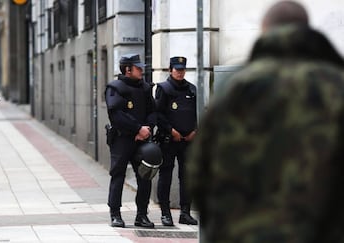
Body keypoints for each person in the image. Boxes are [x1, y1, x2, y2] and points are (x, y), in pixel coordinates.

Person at [187, 1, 344, 242]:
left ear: (264, 29)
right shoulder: (337, 85)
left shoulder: (237, 87)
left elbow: (200, 171)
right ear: (306, 29)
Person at [105, 54, 157, 228]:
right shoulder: (115, 88)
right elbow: (116, 115)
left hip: (141, 139)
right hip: (121, 139)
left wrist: (147, 128)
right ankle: (115, 214)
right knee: (118, 175)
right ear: (128, 69)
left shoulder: (144, 87)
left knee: (145, 176)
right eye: (138, 67)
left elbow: (152, 111)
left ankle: (142, 215)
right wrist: (137, 129)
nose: (142, 70)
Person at [155, 56, 198, 226]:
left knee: (187, 176)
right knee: (165, 175)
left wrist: (195, 130)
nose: (180, 73)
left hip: (188, 141)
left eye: (182, 69)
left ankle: (185, 212)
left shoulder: (192, 89)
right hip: (169, 140)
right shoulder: (163, 89)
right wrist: (171, 131)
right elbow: (158, 114)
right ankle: (165, 213)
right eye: (177, 69)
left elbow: (198, 113)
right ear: (170, 69)